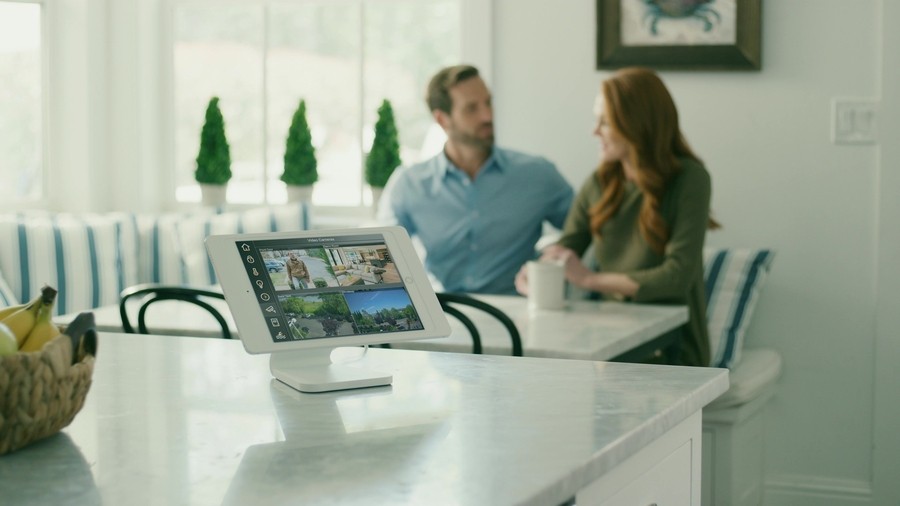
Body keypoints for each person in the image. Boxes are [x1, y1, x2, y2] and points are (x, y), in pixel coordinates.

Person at [516, 67, 720, 367]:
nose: (594, 131)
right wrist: (538, 270)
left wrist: (589, 279)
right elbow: (567, 246)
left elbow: (676, 277)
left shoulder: (690, 179)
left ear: (638, 125)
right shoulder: (600, 182)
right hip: (612, 344)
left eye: (605, 122)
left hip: (674, 349)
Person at [377, 64, 574, 294]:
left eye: (488, 103)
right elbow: (383, 256)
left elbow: (588, 228)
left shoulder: (538, 175)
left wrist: (554, 251)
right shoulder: (409, 184)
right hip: (446, 312)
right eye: (471, 108)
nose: (487, 116)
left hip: (517, 314)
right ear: (442, 119)